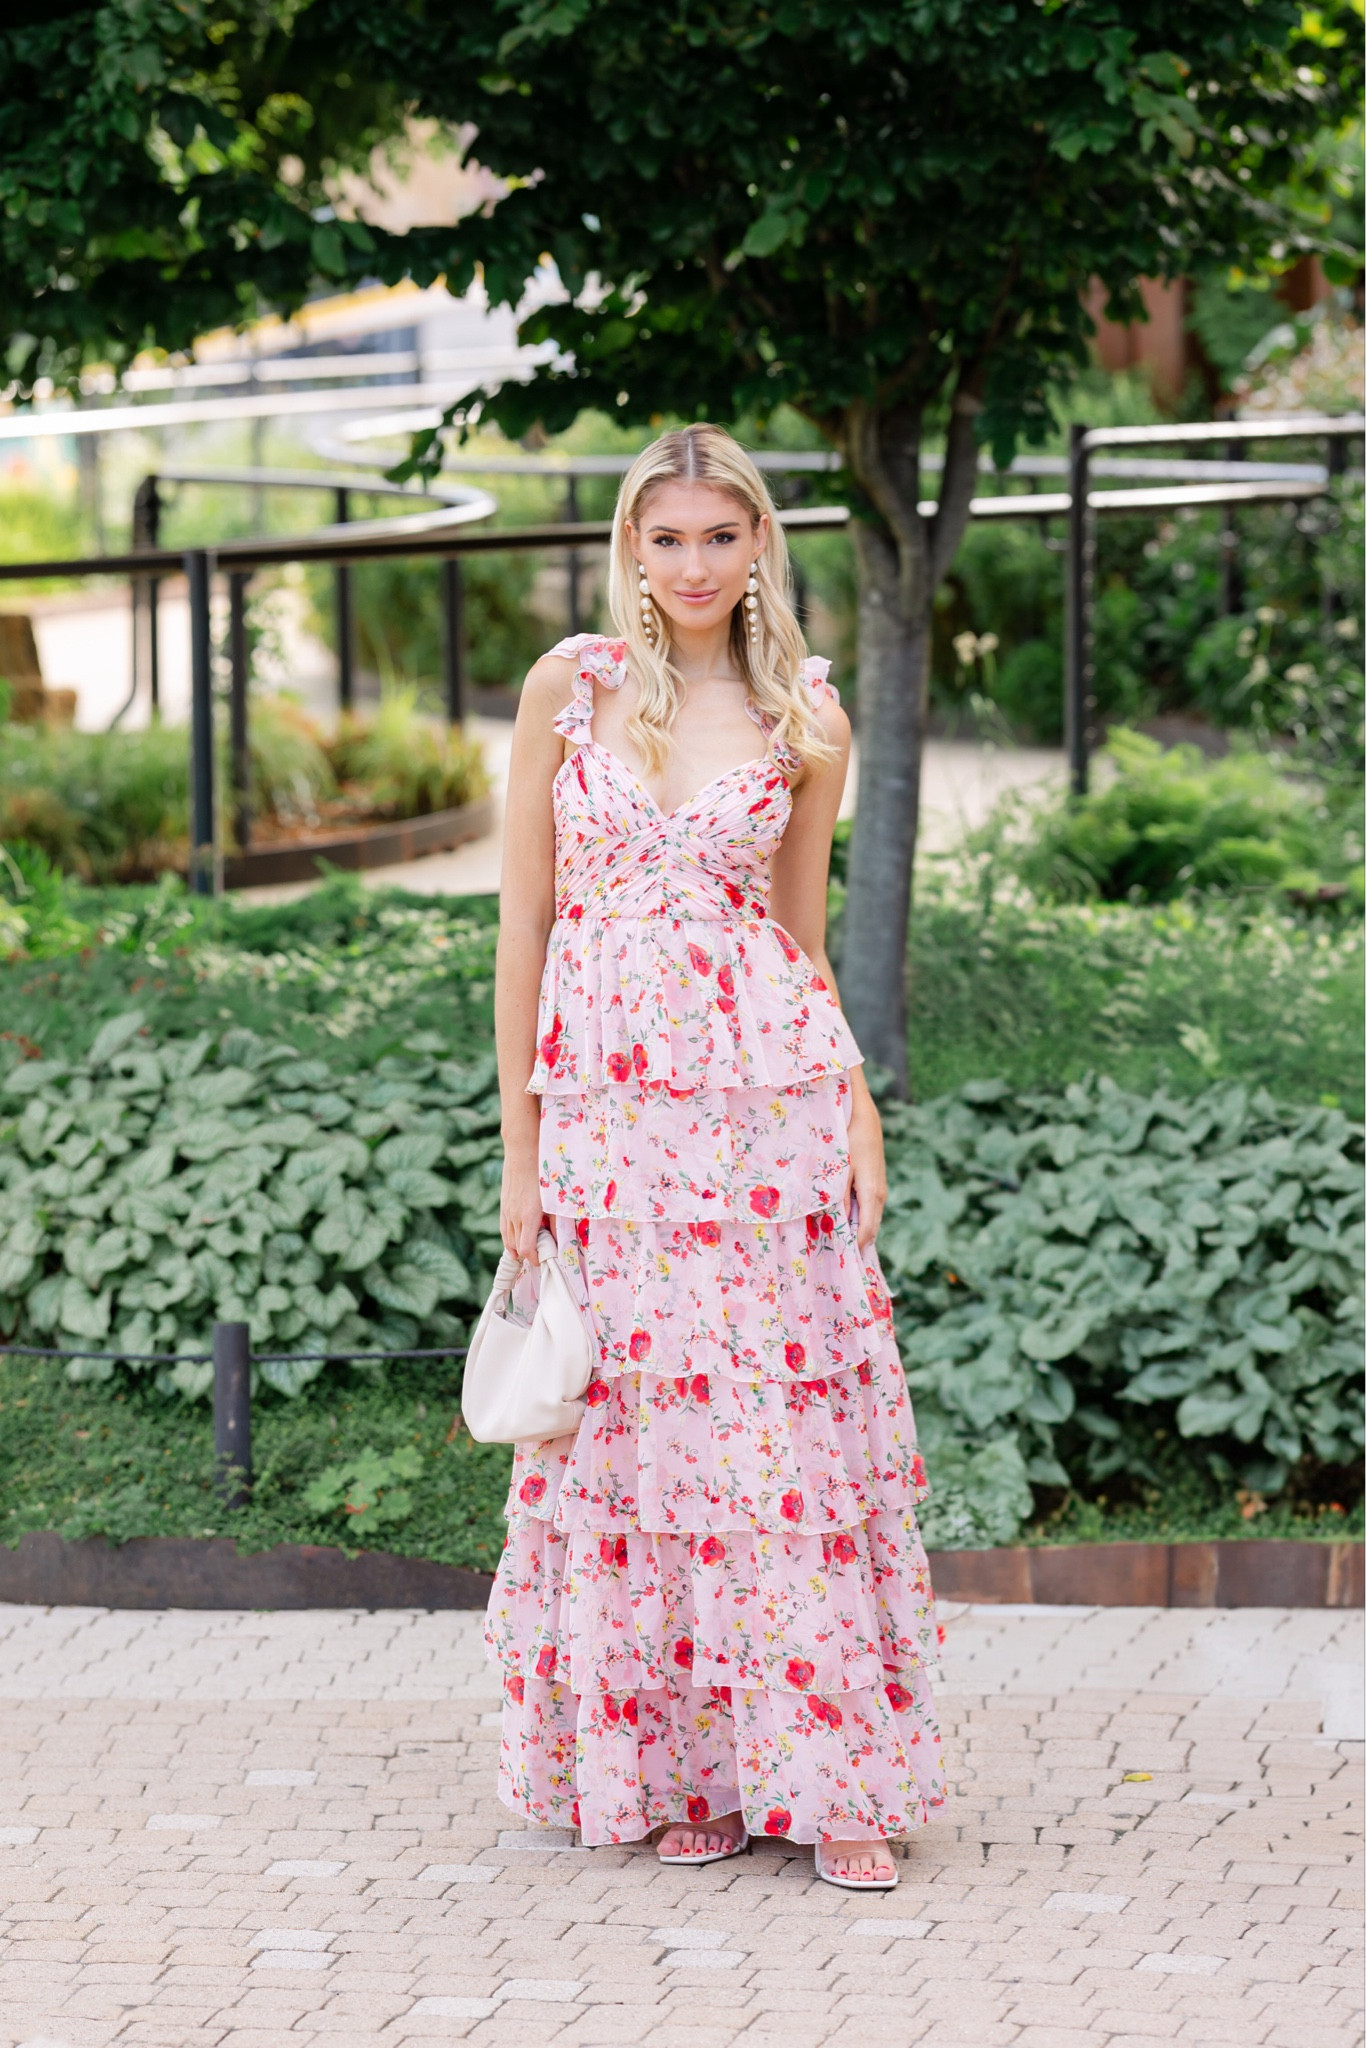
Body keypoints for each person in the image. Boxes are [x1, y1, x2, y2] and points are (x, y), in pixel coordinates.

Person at [487, 423, 943, 1889]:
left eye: (717, 536)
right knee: (642, 1438)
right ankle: (693, 1770)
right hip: (610, 1128)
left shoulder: (805, 714)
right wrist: (520, 1153)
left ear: (759, 546)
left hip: (764, 1107)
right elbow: (523, 930)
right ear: (630, 544)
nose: (690, 565)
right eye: (663, 537)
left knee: (781, 1434)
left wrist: (856, 1100)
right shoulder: (573, 692)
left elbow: (798, 941)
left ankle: (836, 1784)